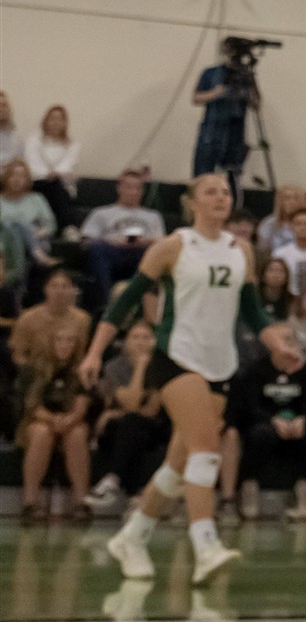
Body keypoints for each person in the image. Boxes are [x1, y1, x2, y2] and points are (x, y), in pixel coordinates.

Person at [84, 172, 281, 584]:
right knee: (206, 450)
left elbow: (251, 310)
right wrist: (95, 352)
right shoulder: (173, 246)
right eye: (211, 192)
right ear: (192, 202)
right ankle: (206, 547)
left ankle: (132, 537)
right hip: (176, 358)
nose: (220, 198)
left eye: (225, 192)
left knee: (178, 465)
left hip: (220, 364)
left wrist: (275, 341)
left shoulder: (242, 249)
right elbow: (124, 303)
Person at [231, 331, 306, 522]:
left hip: (295, 421)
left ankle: (303, 489)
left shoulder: (305, 370)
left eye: (293, 342)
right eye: (286, 342)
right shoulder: (257, 369)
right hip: (265, 421)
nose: (290, 348)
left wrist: (302, 419)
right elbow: (251, 406)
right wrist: (273, 420)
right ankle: (249, 487)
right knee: (260, 435)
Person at [89, 318, 169, 510]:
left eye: (146, 337)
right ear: (125, 342)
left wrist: (114, 413)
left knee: (135, 424)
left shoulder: (162, 367)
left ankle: (114, 479)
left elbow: (151, 410)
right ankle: (137, 494)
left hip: (154, 426)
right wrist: (140, 368)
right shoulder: (114, 367)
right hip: (121, 430)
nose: (140, 342)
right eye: (135, 337)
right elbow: (132, 404)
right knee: (132, 426)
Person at [18, 321, 93, 517]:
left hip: (71, 420)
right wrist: (52, 419)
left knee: (77, 434)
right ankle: (30, 502)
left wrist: (68, 419)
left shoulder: (83, 370)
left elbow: (81, 404)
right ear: (51, 342)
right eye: (59, 340)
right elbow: (31, 405)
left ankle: (81, 502)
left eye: (70, 340)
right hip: (39, 419)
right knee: (41, 432)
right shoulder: (34, 368)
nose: (64, 345)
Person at [80, 171, 167, 305]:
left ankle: (147, 305)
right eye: (128, 187)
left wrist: (143, 242)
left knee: (155, 251)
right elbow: (86, 240)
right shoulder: (101, 213)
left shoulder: (153, 216)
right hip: (112, 252)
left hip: (141, 253)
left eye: (137, 188)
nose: (132, 192)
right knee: (97, 248)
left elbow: (161, 242)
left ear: (142, 191)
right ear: (119, 188)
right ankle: (106, 304)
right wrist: (112, 242)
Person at [190, 40, 254, 181]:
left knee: (232, 179)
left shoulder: (246, 76)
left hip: (235, 134)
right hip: (211, 132)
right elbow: (195, 98)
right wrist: (216, 93)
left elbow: (256, 104)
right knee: (202, 176)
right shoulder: (211, 73)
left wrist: (248, 89)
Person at [26, 105, 79, 230]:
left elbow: (68, 164)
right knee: (49, 186)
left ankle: (67, 228)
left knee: (56, 186)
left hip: (61, 186)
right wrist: (48, 175)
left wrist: (56, 174)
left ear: (65, 123)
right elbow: (32, 163)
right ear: (46, 120)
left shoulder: (73, 145)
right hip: (38, 183)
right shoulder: (34, 140)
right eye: (52, 118)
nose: (56, 122)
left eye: (60, 119)